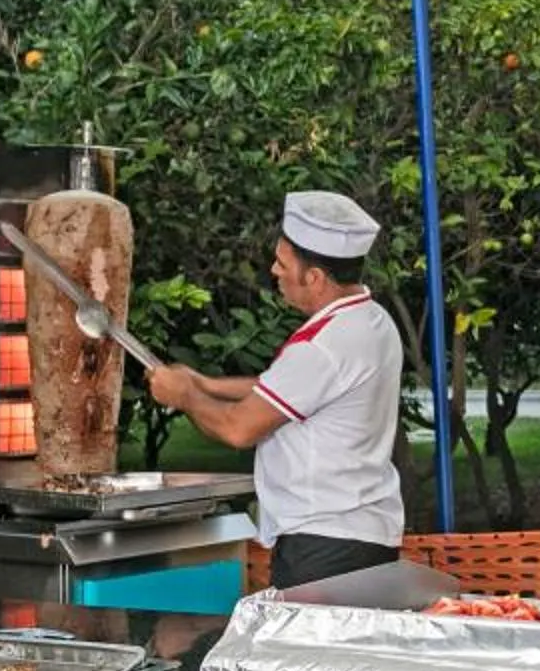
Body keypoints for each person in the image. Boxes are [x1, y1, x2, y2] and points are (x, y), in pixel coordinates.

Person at [148, 192, 405, 589]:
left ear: (315, 277)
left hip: (324, 546)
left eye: (283, 263)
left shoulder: (323, 346)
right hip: (362, 537)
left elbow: (239, 428)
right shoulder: (371, 319)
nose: (274, 270)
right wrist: (204, 383)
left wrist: (185, 397)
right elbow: (283, 389)